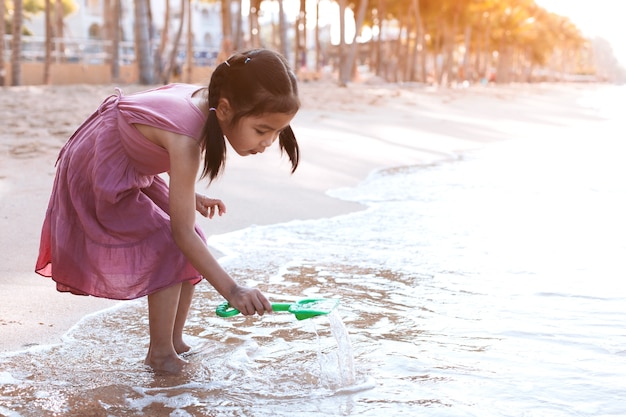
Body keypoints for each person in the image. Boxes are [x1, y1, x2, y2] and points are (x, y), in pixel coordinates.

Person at [35, 49, 301, 374]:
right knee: (173, 243)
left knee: (194, 237)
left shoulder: (209, 102)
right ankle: (160, 353)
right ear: (227, 109)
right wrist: (233, 290)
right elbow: (179, 222)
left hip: (130, 162)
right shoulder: (187, 138)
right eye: (262, 130)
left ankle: (174, 342)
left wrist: (191, 194)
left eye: (277, 132)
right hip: (99, 167)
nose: (269, 142)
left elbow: (154, 132)